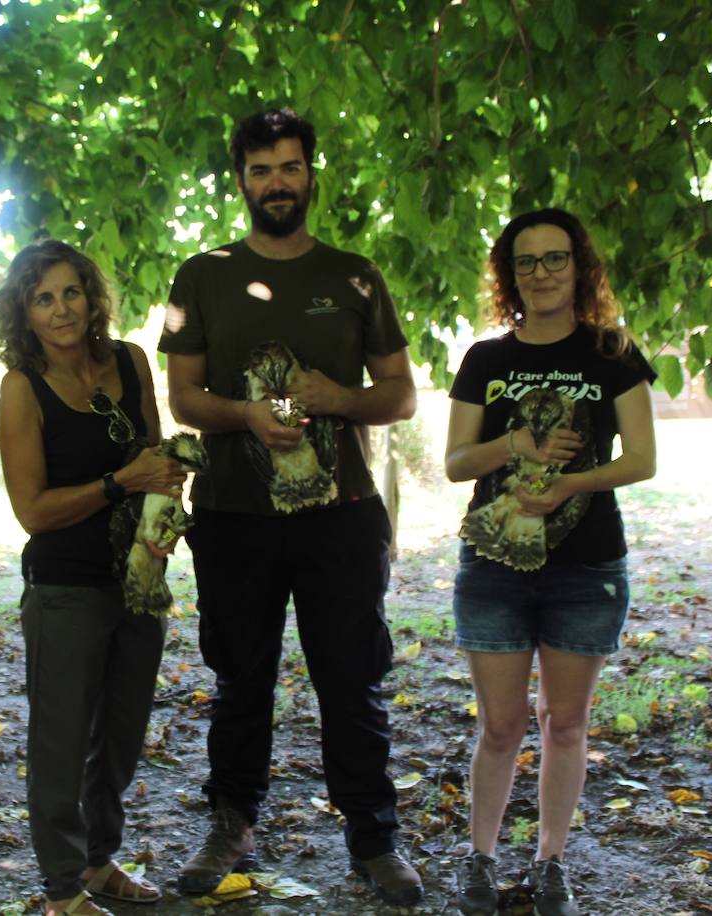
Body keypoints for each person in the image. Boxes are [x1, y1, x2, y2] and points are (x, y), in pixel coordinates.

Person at [158, 108, 422, 906]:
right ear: (240, 180)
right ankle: (231, 822)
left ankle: (373, 839)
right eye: (261, 169)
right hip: (235, 514)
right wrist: (245, 417)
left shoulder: (355, 276)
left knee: (352, 677)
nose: (277, 182)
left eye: (291, 167)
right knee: (242, 677)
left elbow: (402, 395)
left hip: (340, 513)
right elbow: (182, 396)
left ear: (312, 175)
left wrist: (338, 397)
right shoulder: (199, 276)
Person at [444, 208, 657, 916]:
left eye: (554, 258)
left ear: (579, 266)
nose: (541, 273)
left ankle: (550, 863)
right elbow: (454, 463)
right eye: (526, 261)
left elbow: (642, 461)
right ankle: (479, 859)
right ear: (510, 275)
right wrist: (519, 448)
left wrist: (567, 483)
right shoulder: (486, 361)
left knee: (565, 724)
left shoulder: (613, 354)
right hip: (495, 566)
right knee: (501, 725)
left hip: (586, 567)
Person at [0, 239, 187, 916]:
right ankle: (61, 889)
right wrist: (118, 482)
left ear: (91, 295)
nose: (61, 309)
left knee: (123, 735)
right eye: (42, 298)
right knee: (61, 741)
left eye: (70, 291)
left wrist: (160, 519)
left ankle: (101, 862)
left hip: (137, 579)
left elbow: (157, 465)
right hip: (64, 587)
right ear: (25, 313)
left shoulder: (131, 362)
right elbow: (33, 512)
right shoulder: (23, 389)